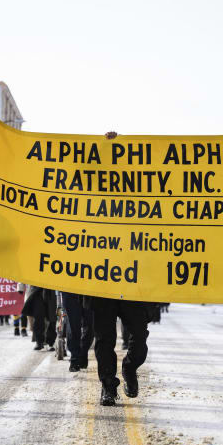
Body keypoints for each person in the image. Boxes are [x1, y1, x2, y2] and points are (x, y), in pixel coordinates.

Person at [88, 131, 152, 406]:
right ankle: (108, 386)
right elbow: (88, 175)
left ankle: (129, 368)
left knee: (139, 336)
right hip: (101, 282)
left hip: (132, 282)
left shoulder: (140, 199)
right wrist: (107, 147)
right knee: (104, 339)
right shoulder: (92, 202)